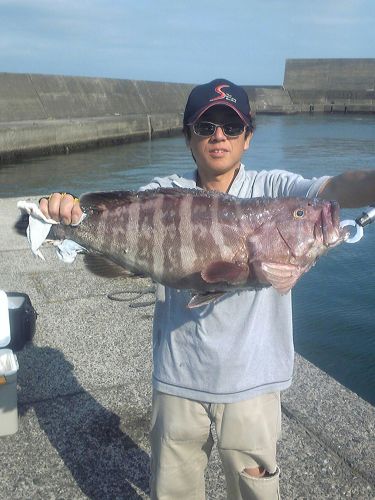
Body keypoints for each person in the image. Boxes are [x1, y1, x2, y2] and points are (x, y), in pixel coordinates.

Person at [39, 79, 375, 500]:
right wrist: (66, 215)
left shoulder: (274, 191)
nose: (219, 135)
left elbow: (339, 188)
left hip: (254, 387)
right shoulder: (160, 194)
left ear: (248, 138)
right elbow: (99, 222)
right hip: (177, 380)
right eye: (206, 126)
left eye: (232, 127)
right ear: (188, 136)